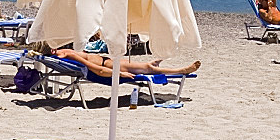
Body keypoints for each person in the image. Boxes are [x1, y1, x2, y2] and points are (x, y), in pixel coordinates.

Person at [48, 47, 201, 80]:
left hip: (108, 60)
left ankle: (152, 63)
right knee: (148, 69)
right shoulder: (66, 55)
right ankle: (182, 70)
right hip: (109, 66)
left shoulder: (62, 52)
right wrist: (119, 74)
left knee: (145, 66)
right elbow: (96, 69)